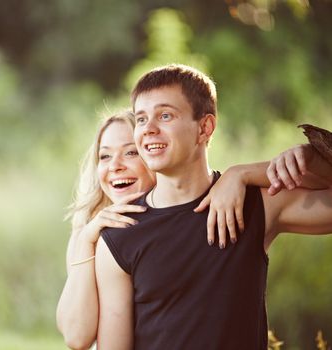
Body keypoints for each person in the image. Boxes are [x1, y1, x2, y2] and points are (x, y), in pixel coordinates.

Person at [95, 64, 332, 349]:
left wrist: (306, 158)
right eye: (142, 119)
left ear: (204, 127)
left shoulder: (255, 205)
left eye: (165, 115)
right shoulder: (120, 236)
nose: (149, 129)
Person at [56, 109, 315, 349]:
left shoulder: (205, 211)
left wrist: (241, 174)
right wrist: (86, 238)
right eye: (105, 156)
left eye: (131, 152)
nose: (115, 166)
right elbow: (76, 337)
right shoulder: (90, 234)